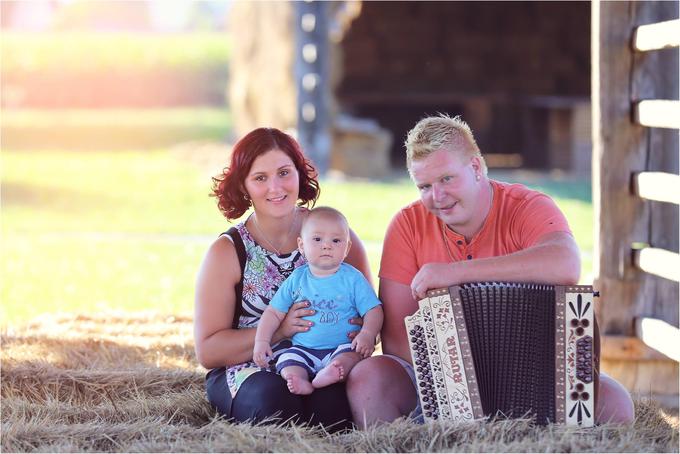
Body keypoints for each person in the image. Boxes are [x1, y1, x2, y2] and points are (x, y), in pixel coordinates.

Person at [345, 114, 636, 428]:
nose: (437, 197)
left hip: (534, 376)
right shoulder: (407, 224)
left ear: (475, 168)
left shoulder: (527, 206)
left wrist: (455, 273)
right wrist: (456, 382)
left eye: (446, 179)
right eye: (425, 186)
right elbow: (396, 340)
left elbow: (566, 263)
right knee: (369, 378)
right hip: (439, 383)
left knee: (615, 403)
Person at [194, 127, 372, 431]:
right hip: (249, 370)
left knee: (333, 413)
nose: (275, 187)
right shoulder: (228, 251)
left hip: (324, 362)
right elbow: (209, 351)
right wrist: (280, 330)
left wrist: (361, 332)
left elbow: (370, 316)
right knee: (275, 405)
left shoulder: (333, 236)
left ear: (300, 174)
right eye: (260, 178)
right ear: (244, 185)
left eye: (284, 172)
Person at [253, 206, 383, 395]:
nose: (326, 245)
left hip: (341, 346)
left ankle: (334, 371)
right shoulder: (297, 279)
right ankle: (298, 379)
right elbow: (273, 312)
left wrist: (367, 333)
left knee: (351, 357)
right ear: (301, 245)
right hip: (304, 348)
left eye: (336, 240)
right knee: (287, 360)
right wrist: (262, 341)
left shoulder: (352, 278)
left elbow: (373, 309)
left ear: (346, 248)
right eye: (317, 239)